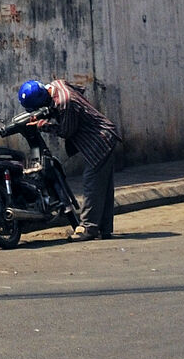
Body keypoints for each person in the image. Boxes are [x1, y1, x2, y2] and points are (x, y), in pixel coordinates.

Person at [18, 77, 120, 239]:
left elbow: (66, 131)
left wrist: (41, 124)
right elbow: (80, 90)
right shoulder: (59, 84)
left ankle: (88, 228)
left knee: (92, 183)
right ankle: (104, 228)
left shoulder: (64, 102)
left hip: (98, 138)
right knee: (103, 186)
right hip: (104, 133)